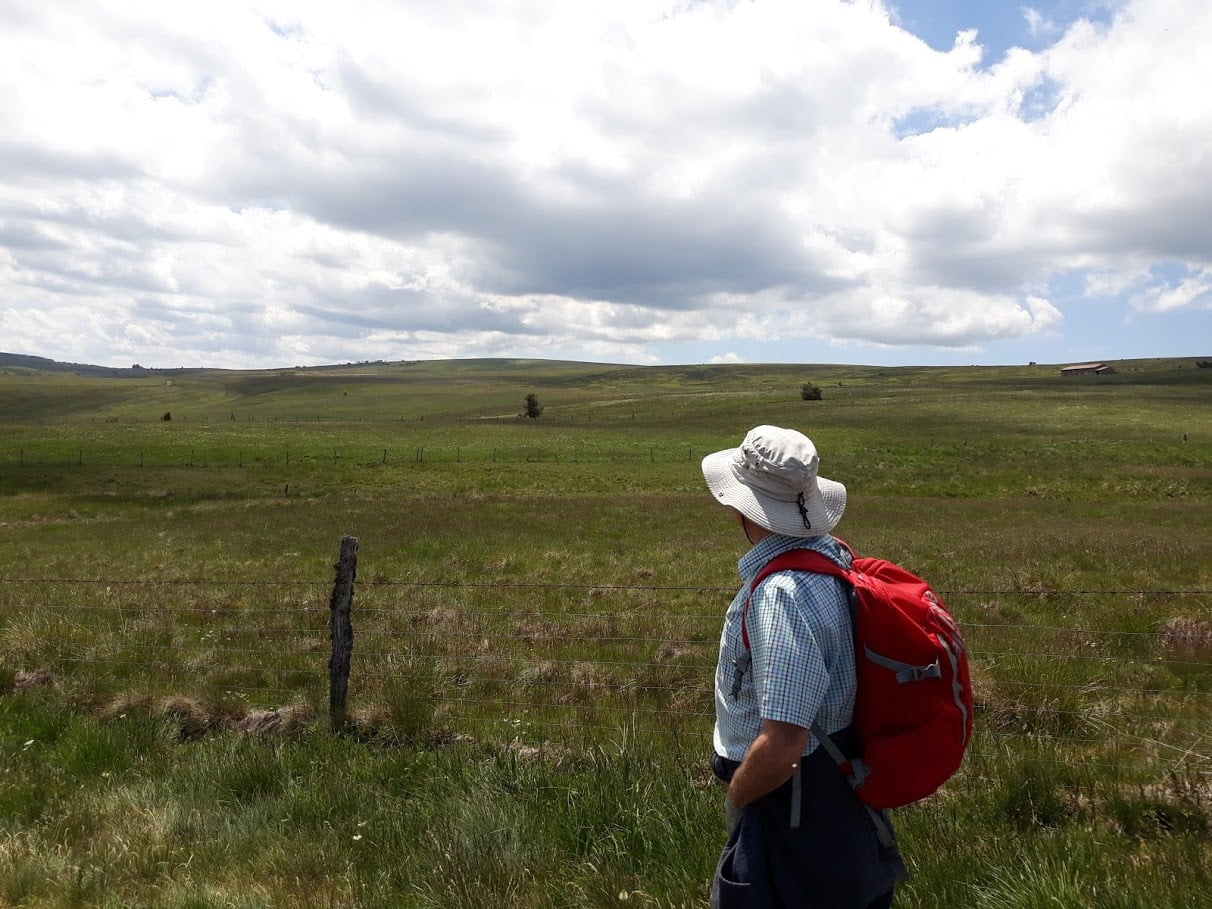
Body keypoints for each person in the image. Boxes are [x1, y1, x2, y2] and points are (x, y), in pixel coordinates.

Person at [702, 425, 905, 908]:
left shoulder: (782, 593)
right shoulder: (833, 558)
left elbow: (784, 743)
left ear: (739, 506)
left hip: (791, 801)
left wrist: (738, 802)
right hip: (839, 786)